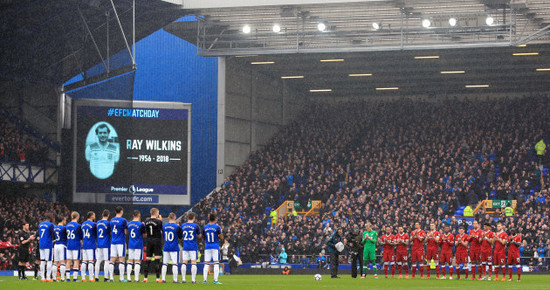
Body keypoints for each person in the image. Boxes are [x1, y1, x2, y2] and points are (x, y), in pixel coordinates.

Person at [143, 208, 163, 283]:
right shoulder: (158, 221)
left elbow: (145, 231)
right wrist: (160, 221)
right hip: (156, 241)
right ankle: (157, 279)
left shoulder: (146, 221)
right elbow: (161, 230)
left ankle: (145, 278)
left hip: (149, 241)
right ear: (156, 213)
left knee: (148, 260)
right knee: (157, 260)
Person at [181, 212, 201, 284]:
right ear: (194, 218)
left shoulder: (183, 225)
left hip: (185, 246)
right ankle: (193, 280)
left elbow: (181, 235)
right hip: (193, 246)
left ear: (187, 217)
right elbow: (199, 236)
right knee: (193, 263)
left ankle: (183, 279)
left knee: (184, 263)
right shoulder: (196, 226)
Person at [203, 213, 223, 285]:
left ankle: (204, 280)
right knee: (216, 263)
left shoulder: (205, 227)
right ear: (215, 219)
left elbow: (203, 237)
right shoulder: (217, 227)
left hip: (207, 246)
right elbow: (221, 237)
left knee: (206, 263)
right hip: (215, 246)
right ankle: (215, 280)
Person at [109, 206, 128, 282]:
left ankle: (111, 278)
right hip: (121, 242)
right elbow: (126, 232)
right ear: (121, 211)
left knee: (112, 259)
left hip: (113, 241)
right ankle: (121, 278)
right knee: (122, 259)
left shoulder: (111, 220)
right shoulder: (123, 220)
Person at [161, 213, 182, 283]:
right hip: (174, 247)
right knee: (175, 264)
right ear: (175, 217)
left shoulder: (164, 226)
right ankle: (175, 279)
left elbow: (163, 236)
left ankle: (163, 279)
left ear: (168, 217)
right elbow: (180, 237)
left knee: (164, 264)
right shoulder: (177, 226)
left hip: (166, 247)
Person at [127, 210, 145, 282]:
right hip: (138, 244)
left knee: (130, 261)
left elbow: (127, 232)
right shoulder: (141, 224)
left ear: (133, 215)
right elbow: (144, 235)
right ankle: (136, 278)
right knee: (138, 261)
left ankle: (128, 278)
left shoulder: (129, 224)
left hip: (131, 244)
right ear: (139, 215)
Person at [66, 211, 82, 282]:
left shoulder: (67, 225)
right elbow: (81, 237)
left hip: (69, 244)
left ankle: (68, 278)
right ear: (77, 217)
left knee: (68, 261)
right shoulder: (78, 226)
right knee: (76, 261)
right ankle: (75, 278)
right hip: (76, 245)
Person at [95, 209, 110, 282]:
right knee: (106, 261)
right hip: (106, 244)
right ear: (108, 215)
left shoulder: (97, 223)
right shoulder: (108, 223)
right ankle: (106, 277)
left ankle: (96, 277)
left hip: (99, 244)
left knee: (98, 261)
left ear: (102, 215)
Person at [81, 211, 97, 282]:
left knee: (84, 261)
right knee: (91, 262)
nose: (95, 217)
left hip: (84, 245)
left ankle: (83, 278)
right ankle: (91, 278)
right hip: (91, 245)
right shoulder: (94, 224)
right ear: (92, 216)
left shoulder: (83, 224)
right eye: (94, 215)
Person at [52, 216, 67, 281]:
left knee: (55, 262)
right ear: (63, 220)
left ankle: (54, 278)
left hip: (56, 245)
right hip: (62, 245)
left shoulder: (54, 227)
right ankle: (63, 278)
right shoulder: (64, 228)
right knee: (62, 262)